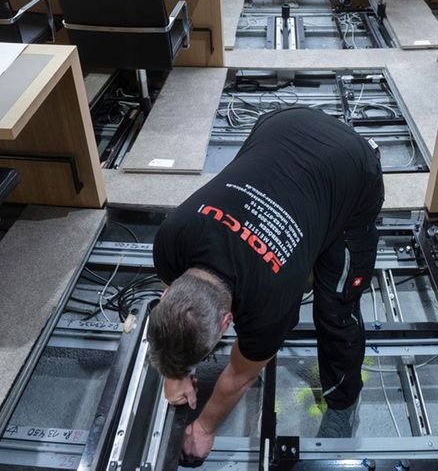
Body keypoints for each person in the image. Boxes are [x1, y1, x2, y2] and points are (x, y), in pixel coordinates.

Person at [149, 107, 385, 463]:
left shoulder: (268, 305)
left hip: (353, 168)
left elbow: (241, 375)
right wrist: (174, 373)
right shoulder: (170, 238)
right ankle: (310, 236)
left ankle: (344, 401)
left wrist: (205, 428)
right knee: (304, 244)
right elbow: (179, 315)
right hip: (282, 122)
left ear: (228, 322)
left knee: (337, 308)